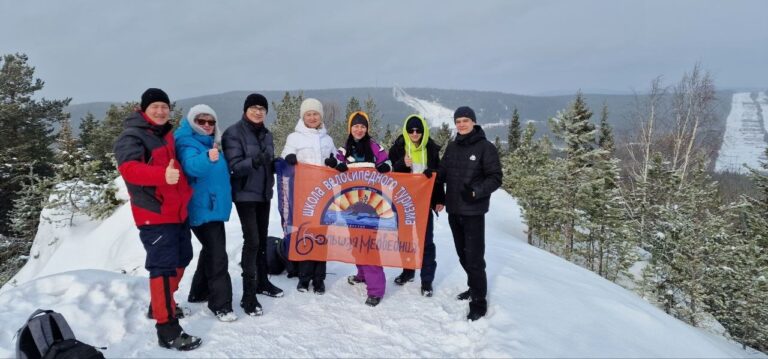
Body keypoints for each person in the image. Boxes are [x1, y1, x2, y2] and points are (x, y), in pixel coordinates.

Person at [113, 88, 201, 350]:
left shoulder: (165, 135)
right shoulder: (132, 136)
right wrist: (162, 176)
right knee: (162, 268)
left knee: (183, 258)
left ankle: (160, 305)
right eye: (155, 107)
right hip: (154, 213)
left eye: (165, 106)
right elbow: (129, 168)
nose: (161, 111)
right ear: (144, 109)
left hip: (177, 212)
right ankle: (167, 329)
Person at [438, 106, 502, 321]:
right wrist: (433, 182)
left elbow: (495, 177)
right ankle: (473, 287)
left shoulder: (485, 148)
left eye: (466, 120)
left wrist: (476, 191)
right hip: (454, 210)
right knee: (462, 254)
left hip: (473, 212)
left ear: (473, 122)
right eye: (458, 121)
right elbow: (443, 173)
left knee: (475, 258)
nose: (462, 124)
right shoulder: (453, 146)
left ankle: (479, 302)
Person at [174, 104, 237, 322]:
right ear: (192, 122)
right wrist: (207, 158)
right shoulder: (187, 142)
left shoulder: (208, 141)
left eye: (211, 122)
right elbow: (191, 166)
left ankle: (198, 291)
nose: (207, 125)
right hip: (202, 208)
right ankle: (221, 305)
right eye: (202, 121)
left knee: (211, 249)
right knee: (218, 254)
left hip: (211, 206)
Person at [222, 93, 283, 317]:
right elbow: (234, 167)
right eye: (254, 108)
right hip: (245, 194)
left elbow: (268, 162)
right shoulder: (233, 133)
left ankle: (262, 282)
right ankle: (249, 295)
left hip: (264, 193)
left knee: (263, 240)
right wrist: (255, 161)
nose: (258, 112)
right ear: (246, 109)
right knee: (253, 241)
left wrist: (280, 164)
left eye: (262, 108)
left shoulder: (267, 134)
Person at [328, 111, 392, 307]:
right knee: (356, 242)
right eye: (355, 126)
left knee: (369, 245)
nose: (359, 129)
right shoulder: (344, 148)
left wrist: (385, 167)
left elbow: (387, 162)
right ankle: (362, 273)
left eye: (362, 126)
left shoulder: (374, 146)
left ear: (367, 128)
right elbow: (335, 162)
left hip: (371, 203)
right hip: (350, 203)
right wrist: (334, 165)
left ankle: (376, 289)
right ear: (350, 128)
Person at [281, 98, 336, 294]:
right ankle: (304, 278)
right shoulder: (294, 138)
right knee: (304, 233)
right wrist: (289, 158)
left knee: (321, 235)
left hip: (323, 195)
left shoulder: (327, 139)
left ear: (320, 116)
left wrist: (333, 161)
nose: (312, 117)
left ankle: (319, 278)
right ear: (303, 117)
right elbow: (284, 156)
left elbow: (336, 160)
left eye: (315, 114)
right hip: (303, 194)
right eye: (308, 114)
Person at [388, 114, 445, 297]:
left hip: (424, 201)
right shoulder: (398, 147)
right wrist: (402, 164)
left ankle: (427, 281)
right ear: (406, 130)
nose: (414, 133)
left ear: (423, 131)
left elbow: (439, 175)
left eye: (418, 130)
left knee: (426, 241)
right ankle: (408, 271)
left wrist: (439, 199)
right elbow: (391, 173)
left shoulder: (431, 148)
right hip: (403, 201)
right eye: (411, 130)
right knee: (405, 239)